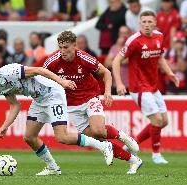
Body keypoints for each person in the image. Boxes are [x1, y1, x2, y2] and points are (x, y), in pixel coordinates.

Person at [0, 57, 114, 176]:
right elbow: (15, 105)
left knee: (62, 137)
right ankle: (53, 168)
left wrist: (62, 81)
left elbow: (39, 70)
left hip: (53, 94)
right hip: (39, 99)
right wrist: (5, 126)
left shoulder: (9, 71)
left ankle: (104, 146)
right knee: (29, 137)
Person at [43, 31, 142, 174]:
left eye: (66, 47)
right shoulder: (52, 61)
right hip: (71, 106)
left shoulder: (84, 57)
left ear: (74, 46)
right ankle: (134, 160)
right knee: (98, 140)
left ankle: (123, 136)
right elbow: (42, 74)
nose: (63, 51)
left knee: (98, 130)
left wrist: (107, 92)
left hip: (90, 97)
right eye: (60, 47)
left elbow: (106, 73)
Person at [112, 11, 180, 164]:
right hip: (139, 87)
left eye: (150, 22)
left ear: (155, 23)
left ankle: (131, 144)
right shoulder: (133, 41)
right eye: (144, 22)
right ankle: (156, 155)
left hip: (153, 86)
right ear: (140, 23)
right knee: (157, 120)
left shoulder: (159, 37)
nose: (147, 25)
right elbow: (116, 60)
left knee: (164, 121)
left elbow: (160, 57)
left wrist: (170, 73)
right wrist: (120, 83)